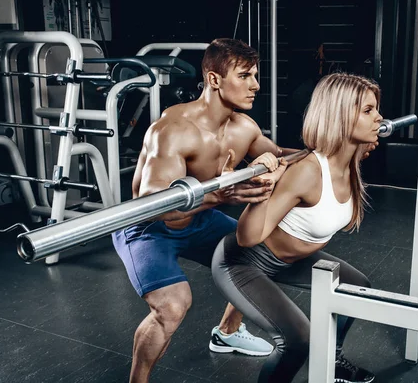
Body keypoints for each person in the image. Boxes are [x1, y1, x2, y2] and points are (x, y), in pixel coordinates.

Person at [112, 38, 303, 383]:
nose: (256, 85)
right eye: (245, 76)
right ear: (214, 79)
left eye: (256, 75)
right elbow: (161, 209)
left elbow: (280, 155)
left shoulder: (244, 127)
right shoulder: (172, 131)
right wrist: (221, 194)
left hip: (199, 217)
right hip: (148, 227)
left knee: (261, 249)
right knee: (171, 307)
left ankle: (228, 332)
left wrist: (327, 149)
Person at [212, 73, 381, 383]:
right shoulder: (306, 173)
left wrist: (360, 145)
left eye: (376, 109)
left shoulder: (347, 161)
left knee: (358, 289)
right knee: (296, 340)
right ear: (340, 116)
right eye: (368, 110)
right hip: (244, 261)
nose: (379, 118)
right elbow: (247, 237)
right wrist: (262, 189)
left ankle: (333, 359)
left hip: (291, 260)